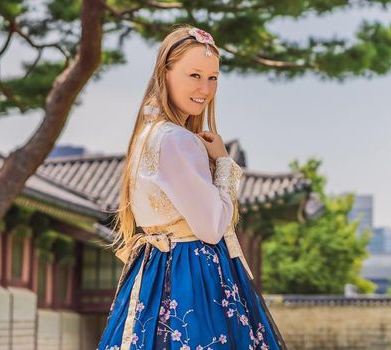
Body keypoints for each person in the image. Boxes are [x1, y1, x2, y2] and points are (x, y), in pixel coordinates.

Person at [96, 25, 286, 350]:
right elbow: (212, 227)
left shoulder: (146, 136)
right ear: (165, 72)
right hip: (191, 274)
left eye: (213, 78)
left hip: (154, 271)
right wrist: (223, 163)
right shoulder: (176, 139)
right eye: (194, 75)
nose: (205, 88)